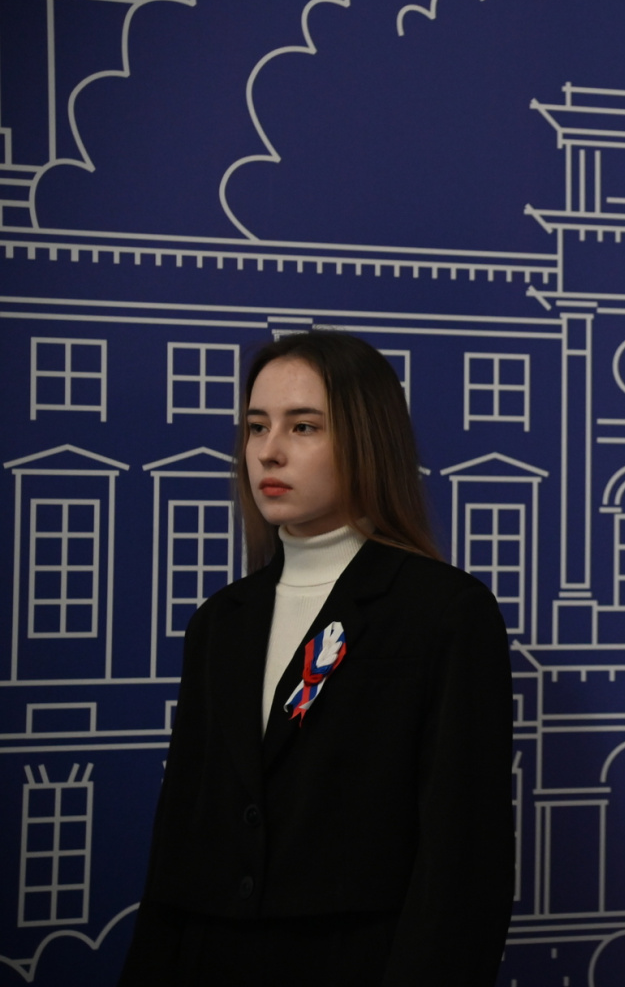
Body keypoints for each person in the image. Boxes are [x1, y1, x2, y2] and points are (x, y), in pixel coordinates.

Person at [121, 332, 514, 986]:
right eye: (257, 426)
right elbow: (178, 849)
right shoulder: (218, 623)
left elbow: (462, 866)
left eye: (303, 426)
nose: (268, 451)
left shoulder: (444, 613)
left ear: (366, 439)